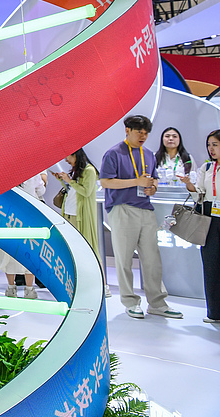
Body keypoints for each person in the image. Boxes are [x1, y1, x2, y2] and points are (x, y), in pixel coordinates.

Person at [102, 115, 182, 319]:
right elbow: (106, 182)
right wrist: (135, 182)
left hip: (146, 209)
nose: (143, 136)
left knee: (152, 259)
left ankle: (157, 302)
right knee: (124, 259)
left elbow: (152, 179)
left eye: (146, 133)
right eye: (139, 132)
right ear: (127, 130)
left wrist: (152, 188)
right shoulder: (113, 153)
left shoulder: (149, 154)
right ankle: (130, 301)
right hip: (122, 209)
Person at [52, 148, 107, 296]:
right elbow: (73, 191)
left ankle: (103, 284)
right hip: (69, 213)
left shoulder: (89, 170)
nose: (66, 161)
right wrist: (64, 181)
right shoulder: (77, 170)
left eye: (68, 157)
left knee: (91, 248)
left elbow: (86, 192)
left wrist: (69, 181)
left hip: (81, 215)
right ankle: (81, 282)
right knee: (74, 250)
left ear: (75, 154)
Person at [180, 130, 220, 323]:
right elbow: (201, 193)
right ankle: (214, 312)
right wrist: (190, 185)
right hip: (209, 220)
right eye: (209, 145)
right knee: (211, 266)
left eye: (215, 145)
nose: (211, 149)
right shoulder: (206, 168)